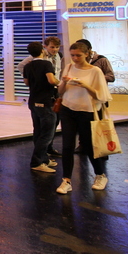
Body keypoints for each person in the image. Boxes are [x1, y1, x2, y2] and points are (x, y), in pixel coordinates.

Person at [55, 41, 113, 194]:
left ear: (87, 54)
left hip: (87, 111)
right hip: (67, 109)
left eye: (78, 55)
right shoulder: (69, 67)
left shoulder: (95, 71)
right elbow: (61, 91)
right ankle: (66, 180)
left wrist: (85, 85)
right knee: (67, 146)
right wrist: (64, 83)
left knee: (88, 145)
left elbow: (102, 95)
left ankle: (100, 175)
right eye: (72, 55)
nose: (75, 58)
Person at [23, 42, 60, 173]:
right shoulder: (46, 64)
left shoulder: (28, 66)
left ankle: (44, 159)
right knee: (47, 134)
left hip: (33, 101)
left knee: (38, 132)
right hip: (46, 101)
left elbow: (26, 82)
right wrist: (61, 82)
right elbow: (51, 80)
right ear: (42, 51)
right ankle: (37, 161)